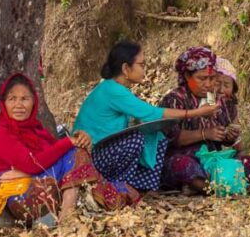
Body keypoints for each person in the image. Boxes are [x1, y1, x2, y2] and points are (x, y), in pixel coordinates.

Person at [73, 41, 220, 194]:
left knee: (156, 136)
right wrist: (196, 112)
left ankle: (144, 187)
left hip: (101, 152)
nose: (144, 70)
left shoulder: (114, 89)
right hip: (90, 157)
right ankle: (121, 187)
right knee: (135, 138)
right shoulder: (112, 90)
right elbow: (152, 113)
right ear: (125, 68)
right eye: (141, 65)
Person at [0, 73, 135, 223]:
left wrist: (78, 138)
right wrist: (69, 142)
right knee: (75, 153)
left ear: (34, 102)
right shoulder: (3, 134)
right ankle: (67, 214)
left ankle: (74, 208)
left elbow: (54, 154)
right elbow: (32, 164)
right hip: (24, 198)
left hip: (45, 187)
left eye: (25, 99)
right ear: (4, 103)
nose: (18, 105)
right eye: (12, 99)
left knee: (76, 154)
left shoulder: (36, 129)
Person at [159, 48, 250, 192]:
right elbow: (173, 137)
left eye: (212, 78)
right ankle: (217, 187)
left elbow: (226, 135)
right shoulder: (175, 99)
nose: (208, 84)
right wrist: (205, 133)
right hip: (184, 157)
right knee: (182, 165)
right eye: (202, 78)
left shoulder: (214, 99)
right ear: (188, 76)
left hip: (213, 159)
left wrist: (228, 137)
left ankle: (217, 183)